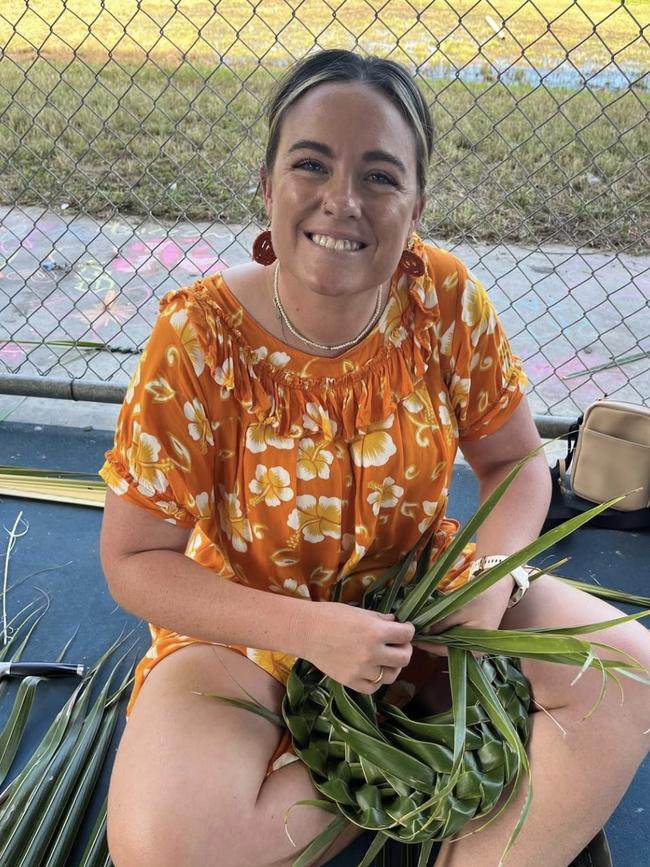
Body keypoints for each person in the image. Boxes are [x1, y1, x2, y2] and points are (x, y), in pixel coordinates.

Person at [98, 49, 650, 867]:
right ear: (267, 183)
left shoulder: (443, 298)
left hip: (425, 613)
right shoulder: (199, 337)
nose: (342, 200)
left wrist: (489, 582)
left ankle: (456, 821)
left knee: (628, 677)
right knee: (165, 845)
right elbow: (134, 559)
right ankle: (422, 769)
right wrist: (311, 631)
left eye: (381, 176)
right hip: (255, 635)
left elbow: (518, 463)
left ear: (416, 204)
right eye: (311, 163)